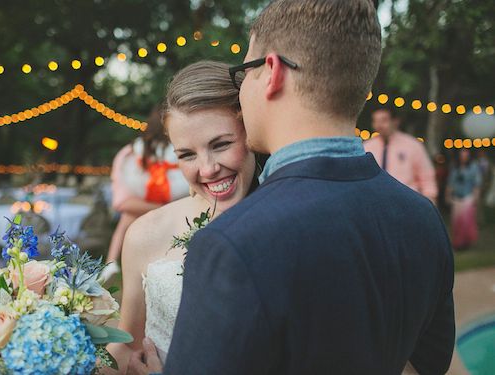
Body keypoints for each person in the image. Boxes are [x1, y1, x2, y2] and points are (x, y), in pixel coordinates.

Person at [129, 1, 455, 374]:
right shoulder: (422, 218)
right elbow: (430, 366)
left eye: (244, 72)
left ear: (271, 72)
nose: (241, 89)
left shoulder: (232, 242)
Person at [105, 61, 257, 374]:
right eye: (187, 154)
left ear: (251, 134)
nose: (207, 168)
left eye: (222, 144)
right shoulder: (146, 233)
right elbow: (127, 346)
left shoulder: (290, 224)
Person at [101, 108, 189, 282]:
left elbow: (134, 174)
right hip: (170, 195)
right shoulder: (173, 147)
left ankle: (111, 261)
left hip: (145, 195)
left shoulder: (140, 147)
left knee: (125, 220)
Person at [364, 107, 438, 203]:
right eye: (376, 121)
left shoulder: (412, 145)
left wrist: (430, 202)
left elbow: (427, 177)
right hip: (375, 202)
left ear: (395, 121)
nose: (379, 125)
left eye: (384, 120)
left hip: (407, 202)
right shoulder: (367, 147)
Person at [446, 148, 482, 250]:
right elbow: (450, 183)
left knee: (467, 221)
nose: (463, 157)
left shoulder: (473, 167)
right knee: (456, 222)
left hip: (468, 197)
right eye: (462, 155)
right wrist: (448, 196)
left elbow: (476, 184)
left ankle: (466, 242)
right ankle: (458, 242)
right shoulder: (455, 167)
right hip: (457, 197)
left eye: (465, 155)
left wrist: (476, 198)